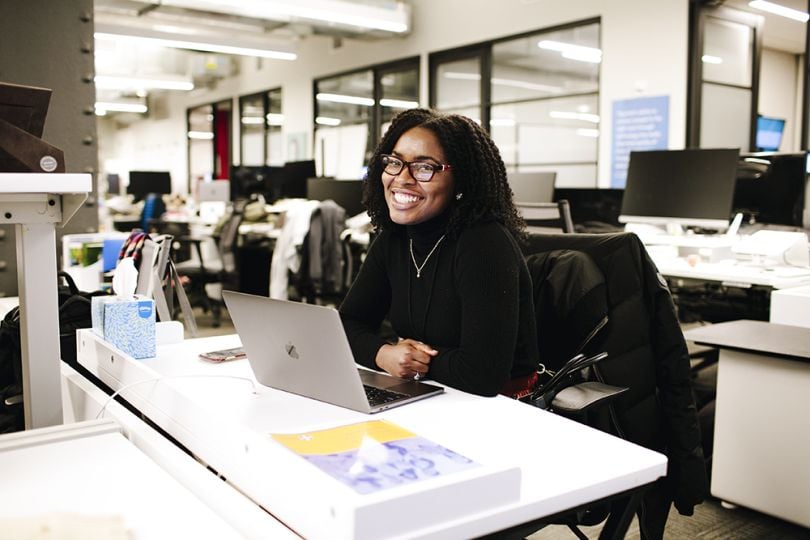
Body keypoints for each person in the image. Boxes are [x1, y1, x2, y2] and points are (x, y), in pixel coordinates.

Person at [338, 108, 539, 397]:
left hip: (501, 407)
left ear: (462, 182)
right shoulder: (394, 239)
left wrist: (412, 361)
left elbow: (483, 376)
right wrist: (385, 355)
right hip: (432, 392)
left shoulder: (484, 244)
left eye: (424, 167)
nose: (402, 178)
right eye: (395, 162)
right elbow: (346, 324)